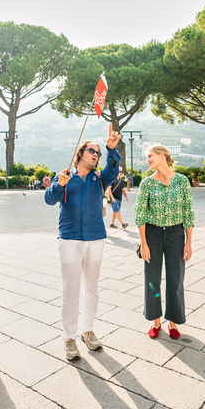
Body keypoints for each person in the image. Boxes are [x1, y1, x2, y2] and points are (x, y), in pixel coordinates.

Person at [45, 124, 121, 360]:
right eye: (92, 150)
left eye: (98, 152)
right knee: (71, 290)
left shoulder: (100, 177)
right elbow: (49, 199)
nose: (95, 154)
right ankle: (69, 337)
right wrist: (59, 184)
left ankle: (87, 331)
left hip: (95, 238)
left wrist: (111, 150)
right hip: (68, 239)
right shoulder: (67, 176)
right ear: (80, 153)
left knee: (92, 289)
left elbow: (113, 169)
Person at [134, 145, 194, 341]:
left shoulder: (182, 181)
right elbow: (140, 214)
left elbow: (188, 212)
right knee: (152, 280)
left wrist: (188, 242)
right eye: (147, 157)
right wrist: (144, 243)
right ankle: (156, 321)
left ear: (162, 156)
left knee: (175, 279)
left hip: (176, 235)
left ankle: (174, 321)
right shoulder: (146, 184)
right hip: (152, 235)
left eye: (150, 156)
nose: (148, 160)